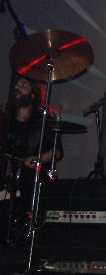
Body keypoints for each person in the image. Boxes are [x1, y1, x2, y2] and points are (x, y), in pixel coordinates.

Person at [1, 76, 63, 243]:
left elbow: (57, 152)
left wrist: (37, 159)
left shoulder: (43, 121)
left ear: (33, 94)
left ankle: (27, 233)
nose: (17, 88)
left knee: (30, 182)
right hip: (8, 173)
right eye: (16, 85)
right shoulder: (6, 121)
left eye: (23, 85)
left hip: (32, 175)